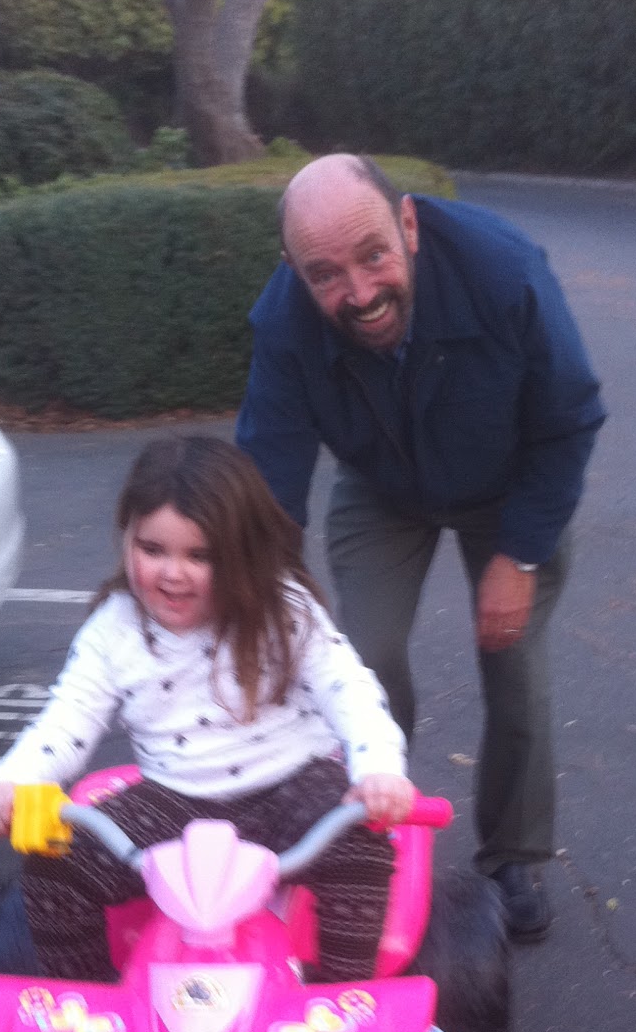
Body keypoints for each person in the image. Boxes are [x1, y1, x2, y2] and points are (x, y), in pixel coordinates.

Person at [237, 154, 605, 941]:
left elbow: (568, 418)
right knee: (358, 656)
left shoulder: (504, 274)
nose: (359, 293)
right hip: (382, 487)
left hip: (510, 486)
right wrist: (263, 592)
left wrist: (520, 555)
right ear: (293, 271)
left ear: (408, 224)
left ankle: (512, 855)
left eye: (372, 255)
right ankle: (366, 831)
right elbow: (268, 473)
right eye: (325, 274)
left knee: (513, 662)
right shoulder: (284, 323)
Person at [0, 435, 414, 984]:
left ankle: (348, 996)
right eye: (152, 549)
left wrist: (377, 769)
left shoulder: (283, 611)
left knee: (360, 847)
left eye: (199, 556)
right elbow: (67, 719)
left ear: (241, 553)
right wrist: (13, 780)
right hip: (175, 798)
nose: (172, 573)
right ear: (127, 537)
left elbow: (349, 689)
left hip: (291, 782)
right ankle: (91, 1006)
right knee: (53, 871)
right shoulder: (115, 630)